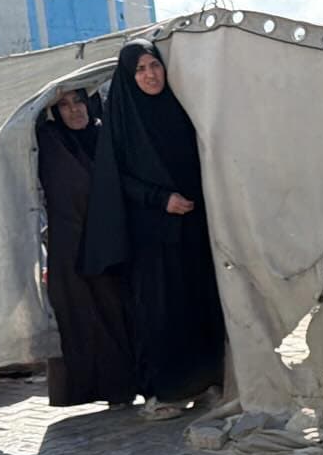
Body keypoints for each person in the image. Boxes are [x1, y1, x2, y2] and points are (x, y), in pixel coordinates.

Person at [82, 39, 226, 421]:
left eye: (154, 66)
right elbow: (116, 178)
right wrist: (160, 199)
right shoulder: (123, 119)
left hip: (193, 227)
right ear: (130, 77)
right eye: (140, 70)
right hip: (151, 234)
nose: (150, 75)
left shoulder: (178, 108)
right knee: (161, 311)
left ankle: (206, 381)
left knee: (199, 303)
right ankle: (165, 393)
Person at [35, 88, 136, 408]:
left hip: (112, 241)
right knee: (82, 318)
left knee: (119, 313)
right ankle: (95, 389)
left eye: (78, 101)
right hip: (71, 246)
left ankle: (126, 386)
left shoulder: (105, 135)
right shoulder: (51, 142)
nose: (74, 110)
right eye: (63, 105)